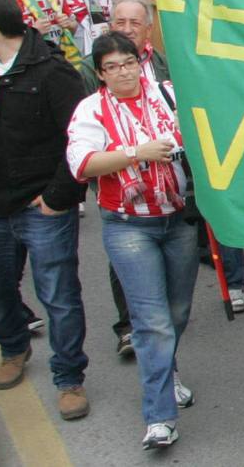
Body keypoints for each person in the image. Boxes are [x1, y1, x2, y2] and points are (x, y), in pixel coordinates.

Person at [0, 0, 91, 420]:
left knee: (59, 295)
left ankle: (68, 378)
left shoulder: (51, 72)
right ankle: (13, 348)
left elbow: (78, 138)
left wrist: (57, 197)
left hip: (39, 206)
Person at [65, 32, 199, 450]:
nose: (123, 72)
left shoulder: (169, 94)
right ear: (100, 73)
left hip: (179, 218)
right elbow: (82, 164)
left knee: (177, 311)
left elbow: (203, 128)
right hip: (128, 225)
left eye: (129, 62)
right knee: (151, 320)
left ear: (141, 62)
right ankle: (159, 417)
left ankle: (167, 367)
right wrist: (136, 153)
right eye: (112, 67)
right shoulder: (91, 110)